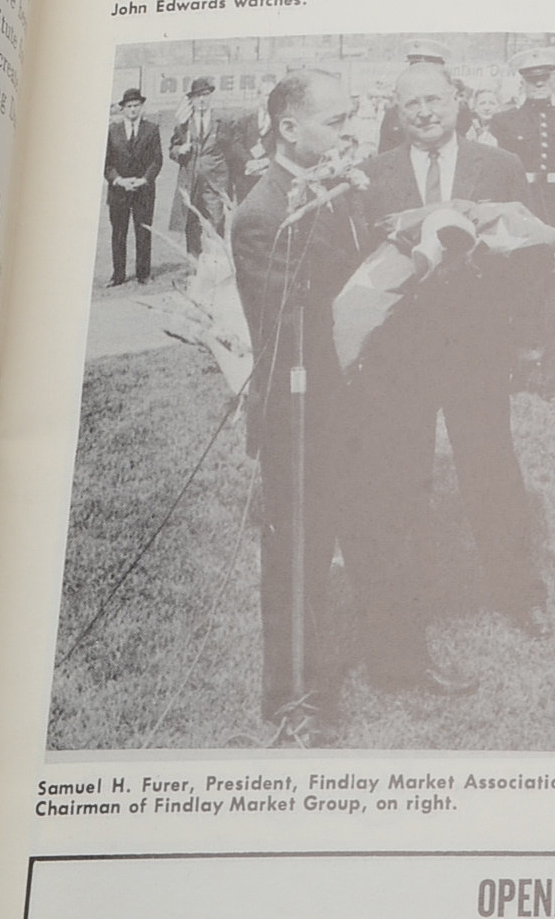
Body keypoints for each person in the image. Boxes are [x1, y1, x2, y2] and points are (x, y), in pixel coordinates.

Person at [356, 61, 553, 642]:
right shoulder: (373, 175)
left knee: (492, 469)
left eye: (435, 100)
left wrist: (523, 339)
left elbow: (532, 253)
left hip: (477, 349)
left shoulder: (501, 166)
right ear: (397, 111)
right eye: (412, 103)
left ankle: (520, 593)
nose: (425, 112)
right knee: (401, 475)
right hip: (401, 355)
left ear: (458, 102)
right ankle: (407, 601)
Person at [228, 70, 380, 742]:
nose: (350, 133)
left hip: (345, 396)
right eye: (337, 121)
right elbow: (290, 319)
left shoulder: (328, 189)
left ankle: (340, 669)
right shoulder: (266, 211)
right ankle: (291, 699)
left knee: (340, 536)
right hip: (299, 406)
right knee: (295, 555)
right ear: (290, 128)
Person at [487, 50, 555, 373]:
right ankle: (521, 361)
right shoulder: (504, 122)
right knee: (521, 287)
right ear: (522, 82)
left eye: (544, 78)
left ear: (554, 80)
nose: (539, 84)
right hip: (521, 212)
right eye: (532, 79)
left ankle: (549, 367)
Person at [167, 78, 239, 258]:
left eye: (205, 95)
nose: (202, 100)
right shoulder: (184, 124)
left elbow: (232, 151)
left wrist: (227, 180)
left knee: (216, 222)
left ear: (211, 97)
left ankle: (217, 264)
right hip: (190, 182)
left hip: (215, 183)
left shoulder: (223, 121)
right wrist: (180, 149)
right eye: (198, 96)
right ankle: (194, 267)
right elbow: (172, 149)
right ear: (191, 99)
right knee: (191, 223)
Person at [103, 89, 161, 286]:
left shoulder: (152, 129)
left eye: (136, 105)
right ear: (122, 109)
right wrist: (118, 180)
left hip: (143, 190)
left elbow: (156, 160)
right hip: (119, 191)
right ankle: (118, 274)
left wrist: (145, 179)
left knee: (143, 232)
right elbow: (106, 164)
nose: (133, 110)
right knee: (119, 233)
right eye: (129, 106)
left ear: (141, 107)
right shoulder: (112, 131)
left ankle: (143, 273)